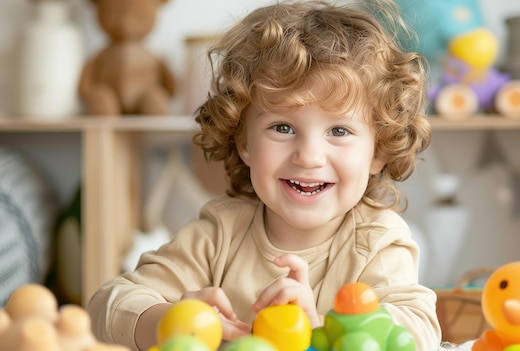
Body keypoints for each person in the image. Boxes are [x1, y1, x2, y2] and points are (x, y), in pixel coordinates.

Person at [87, 1, 441, 350]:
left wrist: (318, 329)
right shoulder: (219, 234)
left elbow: (420, 332)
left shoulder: (376, 241)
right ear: (243, 142)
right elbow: (107, 306)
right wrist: (172, 321)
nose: (309, 156)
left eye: (338, 131)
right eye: (283, 127)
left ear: (378, 151)